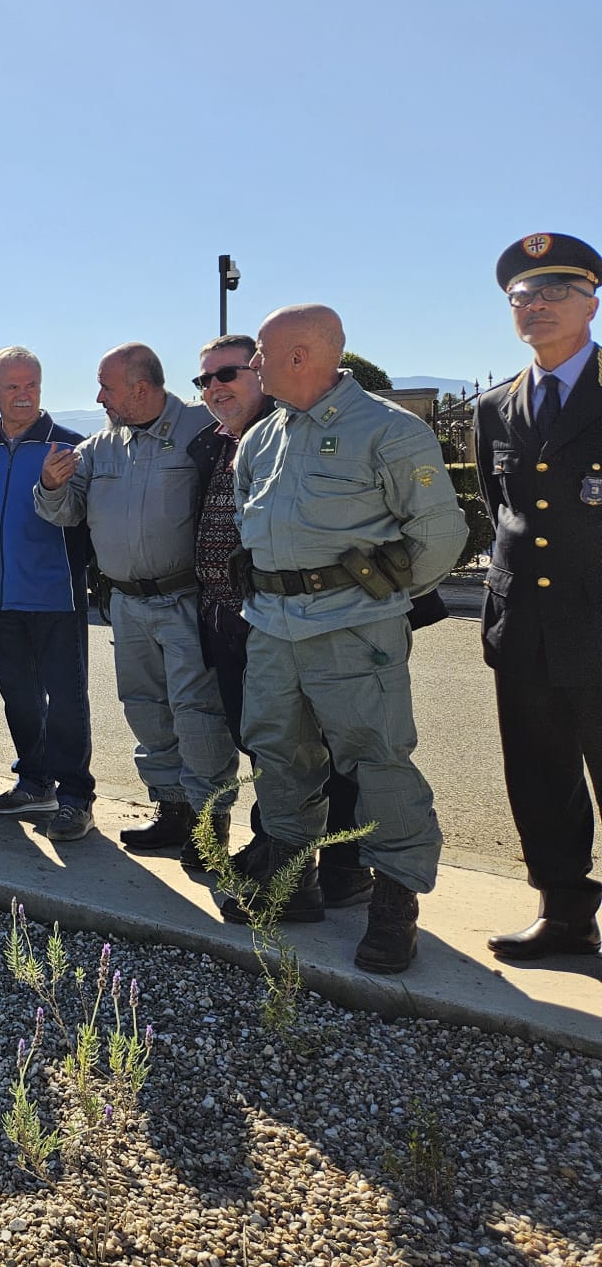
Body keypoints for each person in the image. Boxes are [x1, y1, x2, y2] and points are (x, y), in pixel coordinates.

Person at [220, 304, 467, 975]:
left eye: (263, 355)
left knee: (379, 762)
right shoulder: (265, 436)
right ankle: (292, 882)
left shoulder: (389, 431)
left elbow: (440, 535)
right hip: (271, 627)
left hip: (354, 632)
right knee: (278, 754)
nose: (254, 367)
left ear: (302, 356)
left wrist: (375, 601)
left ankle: (394, 905)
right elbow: (251, 518)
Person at [188, 336, 379, 905]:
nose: (214, 388)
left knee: (329, 752)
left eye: (227, 373)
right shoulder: (211, 445)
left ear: (261, 372)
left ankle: (344, 868)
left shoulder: (299, 433)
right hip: (228, 619)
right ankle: (281, 849)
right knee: (267, 747)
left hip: (295, 619)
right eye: (204, 381)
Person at [35, 343, 233, 850]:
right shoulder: (100, 448)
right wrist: (51, 487)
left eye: (107, 386)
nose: (99, 396)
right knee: (145, 708)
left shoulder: (204, 428)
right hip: (125, 603)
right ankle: (173, 808)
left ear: (140, 388)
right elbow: (66, 512)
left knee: (197, 712)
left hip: (185, 599)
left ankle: (210, 823)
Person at [474, 232, 602, 960]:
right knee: (541, 776)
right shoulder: (497, 406)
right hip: (525, 626)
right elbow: (507, 511)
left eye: (555, 291)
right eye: (523, 296)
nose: (537, 306)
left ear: (591, 299)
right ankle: (565, 914)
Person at [0, 348, 96, 837]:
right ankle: (35, 783)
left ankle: (76, 796)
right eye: (13, 385)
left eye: (32, 385)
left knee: (65, 699)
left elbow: (82, 518)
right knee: (17, 696)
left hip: (56, 596)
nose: (23, 394)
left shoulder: (68, 447)